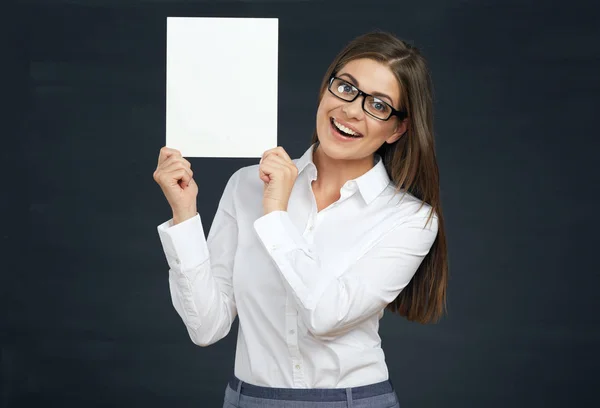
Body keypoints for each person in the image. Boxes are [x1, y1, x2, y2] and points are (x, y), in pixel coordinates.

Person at [153, 31, 448, 408]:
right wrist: (184, 213)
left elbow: (325, 316)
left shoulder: (410, 220)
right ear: (326, 89)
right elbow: (206, 327)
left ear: (398, 129)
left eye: (378, 105)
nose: (353, 110)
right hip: (247, 399)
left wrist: (276, 211)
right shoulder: (246, 184)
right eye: (346, 88)